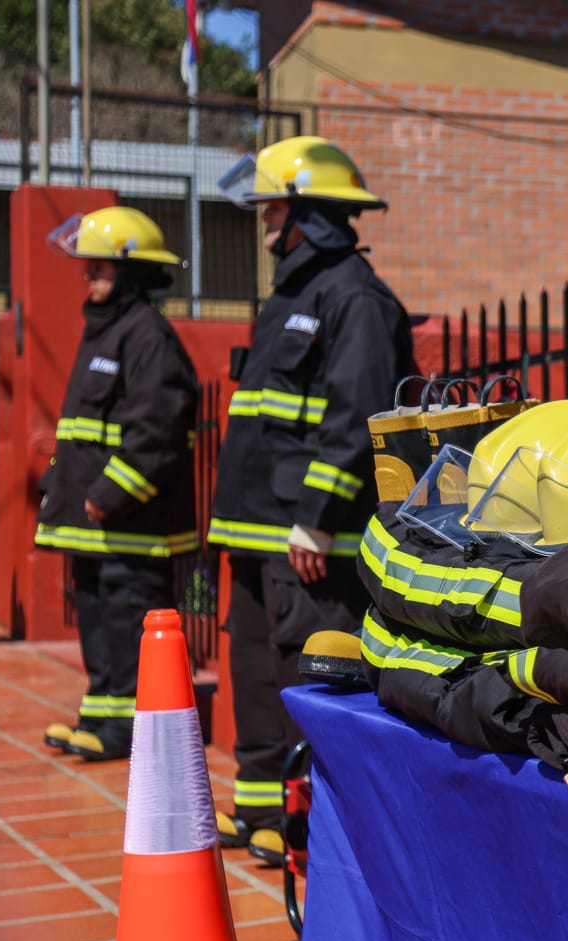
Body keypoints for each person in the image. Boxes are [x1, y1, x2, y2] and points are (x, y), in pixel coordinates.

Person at [209, 136, 417, 864]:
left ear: (305, 212)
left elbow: (357, 416)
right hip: (257, 529)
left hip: (305, 538)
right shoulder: (293, 292)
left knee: (307, 673)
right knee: (256, 671)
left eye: (272, 205)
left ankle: (309, 818)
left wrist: (317, 523)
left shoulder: (352, 295)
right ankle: (262, 807)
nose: (264, 218)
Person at [37, 207, 199, 761]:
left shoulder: (147, 336)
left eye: (101, 268)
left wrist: (108, 497)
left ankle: (125, 730)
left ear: (132, 272)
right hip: (93, 526)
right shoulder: (107, 331)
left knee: (128, 626)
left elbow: (156, 431)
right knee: (99, 626)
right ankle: (99, 716)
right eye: (88, 268)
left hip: (129, 525)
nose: (89, 277)